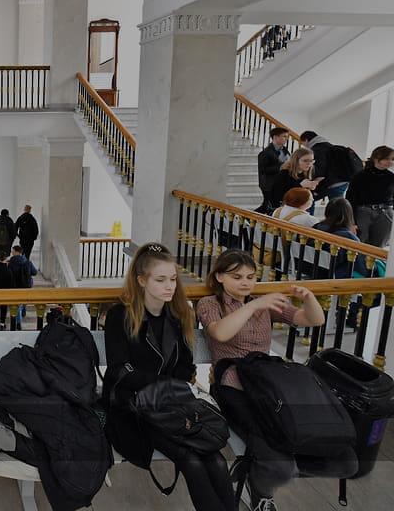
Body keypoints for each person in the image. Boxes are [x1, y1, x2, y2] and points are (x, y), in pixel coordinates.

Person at [197, 249, 356, 510]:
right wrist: (254, 305)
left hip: (270, 386)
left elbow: (313, 319)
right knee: (280, 464)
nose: (246, 283)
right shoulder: (210, 304)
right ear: (219, 277)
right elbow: (220, 333)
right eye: (237, 277)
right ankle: (261, 486)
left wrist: (309, 298)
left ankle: (257, 469)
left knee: (346, 462)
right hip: (233, 387)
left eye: (251, 277)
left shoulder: (262, 304)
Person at [102, 243, 235, 511]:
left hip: (172, 406)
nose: (170, 286)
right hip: (133, 409)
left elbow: (185, 367)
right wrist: (164, 384)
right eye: (160, 279)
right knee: (192, 461)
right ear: (142, 280)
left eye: (173, 279)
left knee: (217, 460)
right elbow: (120, 370)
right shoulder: (121, 315)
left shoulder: (178, 315)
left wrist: (178, 385)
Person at [347, 145, 394, 247]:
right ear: (376, 158)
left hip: (385, 212)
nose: (390, 162)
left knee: (380, 245)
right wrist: (351, 221)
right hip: (363, 212)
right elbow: (351, 198)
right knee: (360, 243)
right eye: (387, 159)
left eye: (393, 159)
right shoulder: (360, 176)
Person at [313, 198, 369, 278]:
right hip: (334, 276)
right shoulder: (348, 237)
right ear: (349, 214)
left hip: (315, 271)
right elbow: (362, 268)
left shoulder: (316, 227)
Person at [301, 131, 354, 202]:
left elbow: (320, 169)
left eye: (302, 143)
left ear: (306, 140)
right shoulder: (329, 146)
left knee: (310, 199)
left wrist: (312, 181)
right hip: (342, 180)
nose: (303, 146)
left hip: (333, 182)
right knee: (337, 204)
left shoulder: (317, 149)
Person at [269, 147, 322, 212]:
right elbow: (276, 196)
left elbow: (308, 198)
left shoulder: (307, 173)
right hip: (285, 209)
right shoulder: (284, 173)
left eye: (311, 161)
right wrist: (300, 185)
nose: (309, 164)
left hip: (302, 208)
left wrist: (312, 189)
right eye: (305, 161)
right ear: (296, 160)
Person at [256, 128, 291, 213]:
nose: (286, 139)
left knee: (267, 206)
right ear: (275, 137)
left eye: (287, 137)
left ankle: (248, 217)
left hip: (281, 183)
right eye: (284, 136)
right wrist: (281, 167)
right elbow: (263, 170)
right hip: (269, 185)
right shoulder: (265, 153)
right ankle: (248, 217)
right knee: (270, 206)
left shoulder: (285, 150)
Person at [8, 245, 37, 330]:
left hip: (15, 287)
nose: (12, 252)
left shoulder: (11, 263)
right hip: (26, 286)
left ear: (16, 252)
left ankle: (18, 323)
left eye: (12, 251)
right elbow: (34, 272)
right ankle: (24, 308)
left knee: (17, 305)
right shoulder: (27, 262)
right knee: (23, 301)